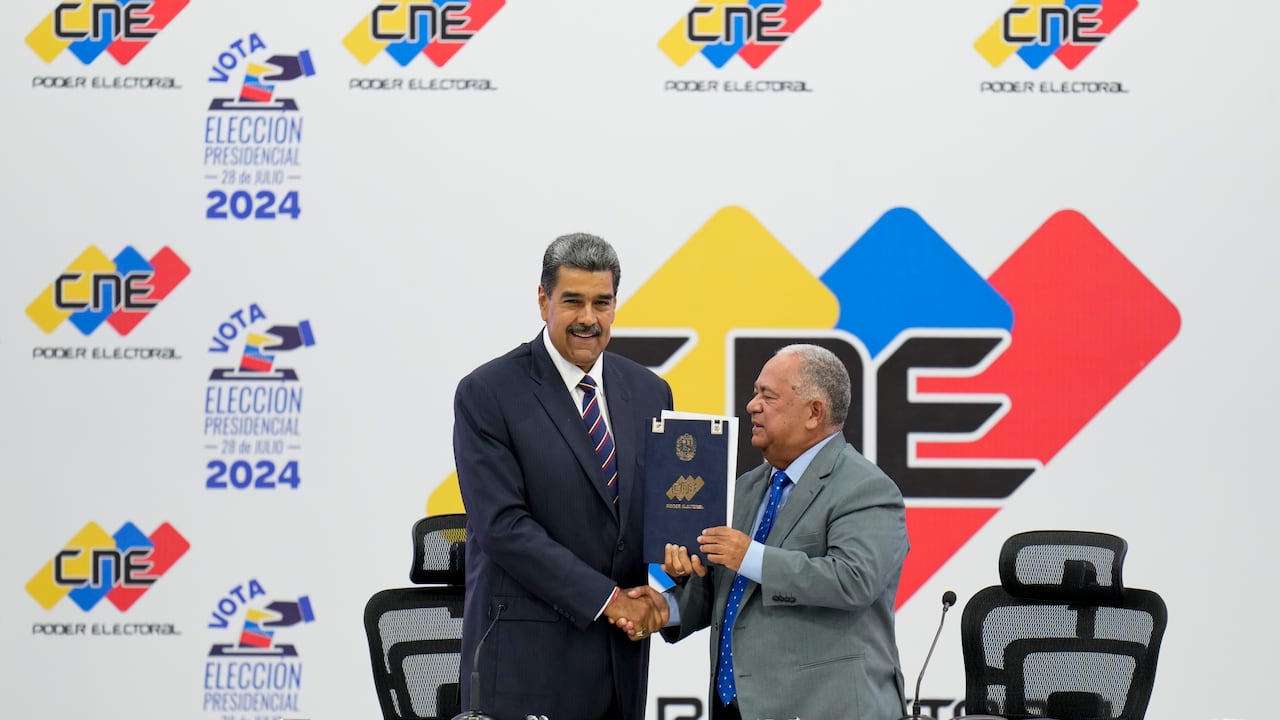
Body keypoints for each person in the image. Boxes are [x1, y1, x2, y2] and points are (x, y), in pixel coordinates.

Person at [453, 233, 673, 720]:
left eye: (602, 302)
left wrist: (676, 566)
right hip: (529, 668)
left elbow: (653, 513)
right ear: (543, 300)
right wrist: (610, 599)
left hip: (622, 664)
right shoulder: (488, 392)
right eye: (572, 301)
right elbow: (503, 527)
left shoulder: (651, 392)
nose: (588, 318)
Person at [657, 343, 910, 720]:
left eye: (767, 396)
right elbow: (722, 591)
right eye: (755, 393)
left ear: (814, 412)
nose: (752, 405)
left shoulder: (866, 488)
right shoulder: (743, 489)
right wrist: (663, 608)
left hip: (823, 709)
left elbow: (853, 579)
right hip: (735, 707)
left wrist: (750, 556)